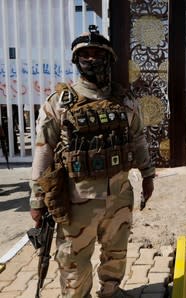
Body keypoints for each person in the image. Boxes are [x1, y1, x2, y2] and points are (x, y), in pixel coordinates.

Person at [28, 25, 155, 298]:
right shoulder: (59, 104)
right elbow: (43, 152)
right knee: (73, 263)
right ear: (77, 61)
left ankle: (111, 292)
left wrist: (147, 175)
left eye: (98, 53)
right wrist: (37, 201)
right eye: (85, 54)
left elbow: (139, 140)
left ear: (109, 58)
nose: (92, 59)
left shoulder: (125, 101)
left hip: (119, 196)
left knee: (116, 254)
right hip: (77, 202)